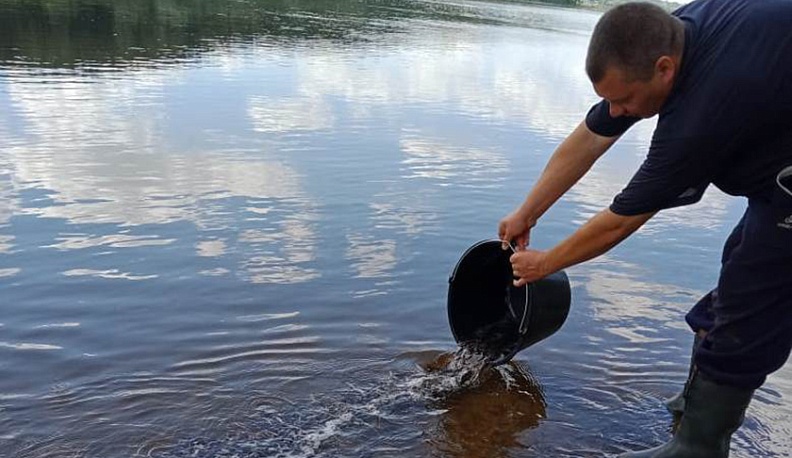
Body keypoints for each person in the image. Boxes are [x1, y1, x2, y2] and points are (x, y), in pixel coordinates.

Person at [497, 1, 792, 456]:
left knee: (752, 305)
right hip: (776, 166)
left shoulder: (703, 112)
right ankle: (697, 405)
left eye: (624, 100)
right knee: (737, 268)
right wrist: (527, 211)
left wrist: (546, 263)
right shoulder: (671, 33)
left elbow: (622, 219)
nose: (618, 111)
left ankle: (698, 445)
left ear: (664, 69)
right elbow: (592, 135)